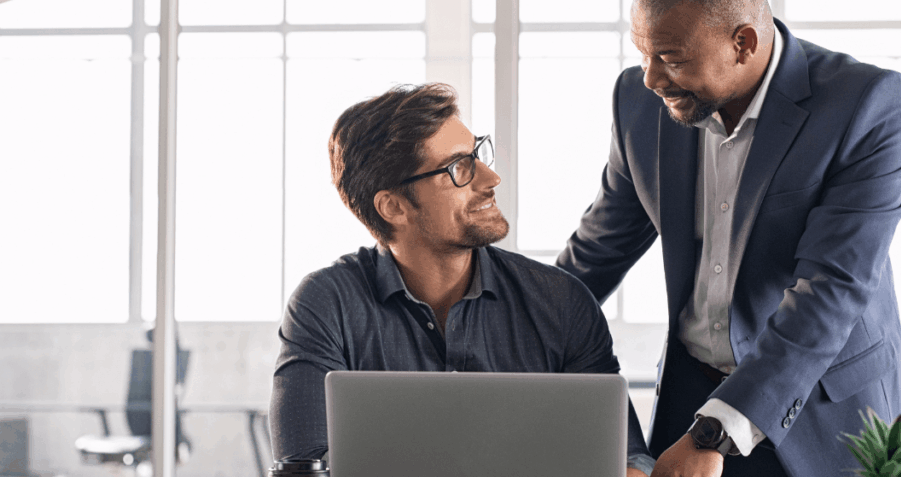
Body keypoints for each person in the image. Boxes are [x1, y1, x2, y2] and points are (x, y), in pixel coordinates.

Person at [555, 0, 901, 477]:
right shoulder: (638, 102)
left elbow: (832, 289)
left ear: (743, 43)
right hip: (689, 400)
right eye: (643, 53)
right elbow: (595, 255)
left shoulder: (866, 105)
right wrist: (503, 318)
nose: (652, 78)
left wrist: (717, 430)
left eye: (671, 58)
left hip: (828, 414)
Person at [269, 83, 657, 476]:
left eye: (477, 154)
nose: (490, 179)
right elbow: (304, 464)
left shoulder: (562, 301)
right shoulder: (325, 305)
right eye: (458, 168)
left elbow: (627, 458)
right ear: (393, 207)